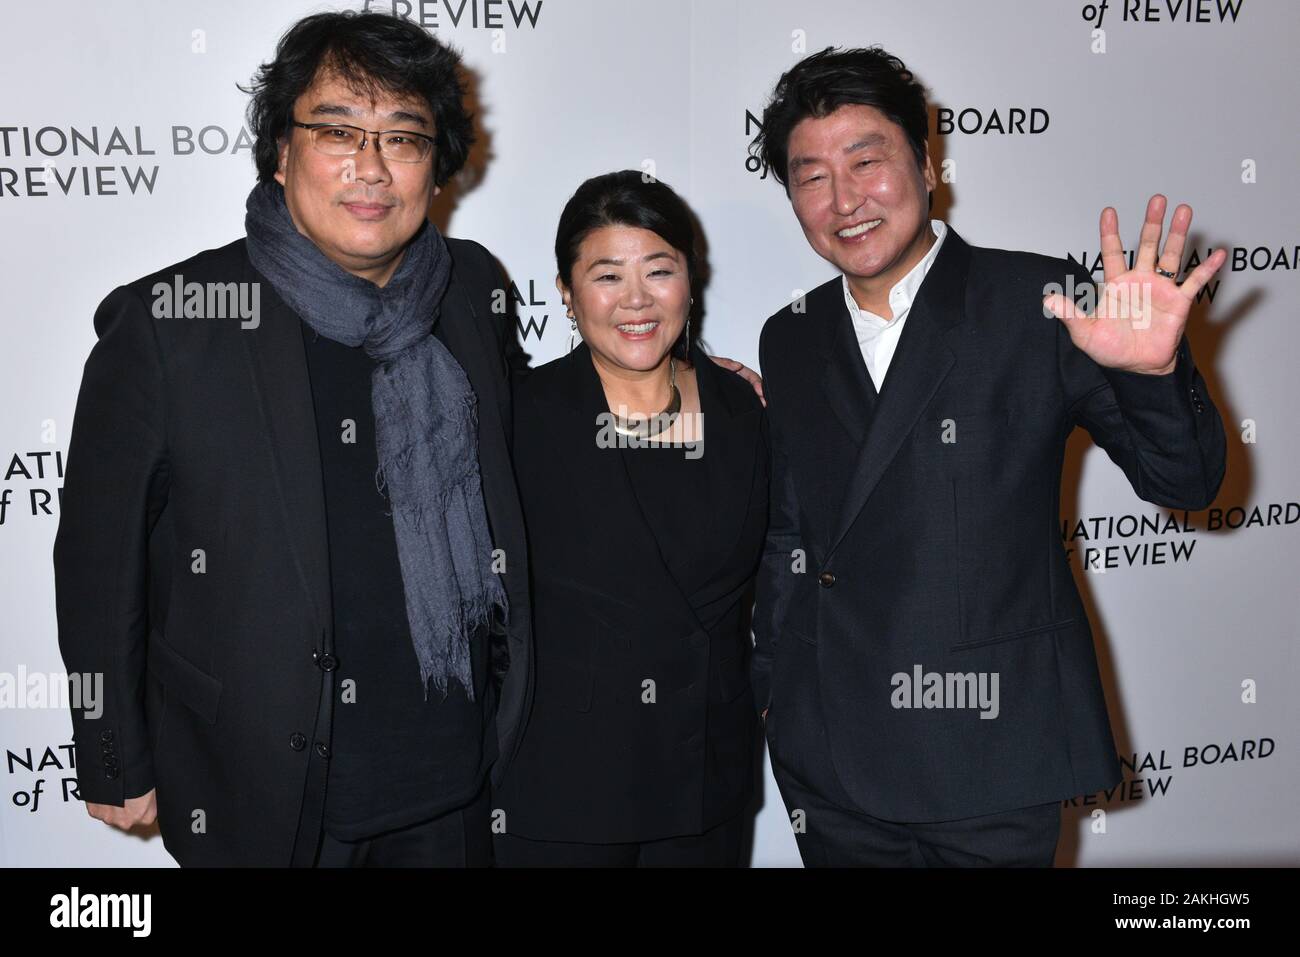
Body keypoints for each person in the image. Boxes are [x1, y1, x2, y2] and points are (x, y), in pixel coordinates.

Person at [53, 11, 532, 867]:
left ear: (438, 165)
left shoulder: (471, 293)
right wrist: (111, 751)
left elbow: (530, 445)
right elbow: (98, 562)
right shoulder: (170, 323)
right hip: (264, 788)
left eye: (404, 137)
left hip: (455, 776)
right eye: (338, 130)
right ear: (281, 151)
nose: (371, 167)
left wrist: (677, 380)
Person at [748, 47, 1227, 866]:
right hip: (831, 761)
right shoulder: (789, 334)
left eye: (868, 161)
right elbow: (791, 534)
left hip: (988, 758)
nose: (845, 199)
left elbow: (1185, 479)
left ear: (927, 164)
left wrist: (1150, 374)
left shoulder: (1038, 299)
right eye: (812, 176)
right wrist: (776, 692)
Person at [491, 171, 768, 866]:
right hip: (559, 793)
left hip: (707, 787)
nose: (636, 300)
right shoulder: (515, 418)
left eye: (660, 270)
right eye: (607, 275)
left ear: (690, 281)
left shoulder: (748, 413)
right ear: (565, 291)